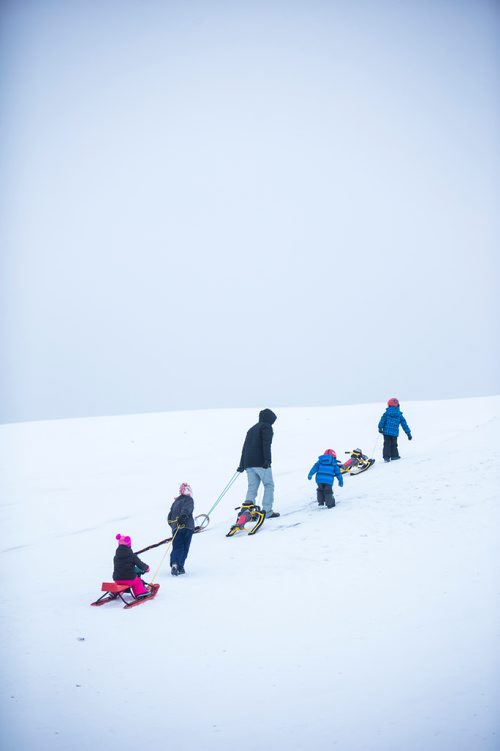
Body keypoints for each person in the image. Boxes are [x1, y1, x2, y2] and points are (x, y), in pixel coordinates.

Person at [237, 408, 279, 518]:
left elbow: (244, 448)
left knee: (252, 487)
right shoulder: (267, 427)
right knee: (269, 485)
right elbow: (266, 444)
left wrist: (242, 465)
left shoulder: (251, 429)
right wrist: (267, 460)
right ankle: (267, 511)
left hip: (248, 463)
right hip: (261, 462)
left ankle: (247, 512)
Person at [167, 483, 195, 576]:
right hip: (187, 527)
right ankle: (180, 566)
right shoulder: (189, 499)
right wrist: (183, 517)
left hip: (176, 528)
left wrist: (174, 525)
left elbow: (169, 517)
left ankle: (175, 563)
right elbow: (187, 509)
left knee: (177, 546)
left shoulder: (175, 502)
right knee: (185, 547)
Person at [378, 397, 412, 462]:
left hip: (386, 433)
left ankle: (386, 457)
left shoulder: (386, 413)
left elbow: (382, 420)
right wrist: (408, 433)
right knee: (394, 444)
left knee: (386, 444)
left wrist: (380, 427)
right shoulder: (399, 415)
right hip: (394, 433)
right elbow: (404, 425)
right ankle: (394, 456)